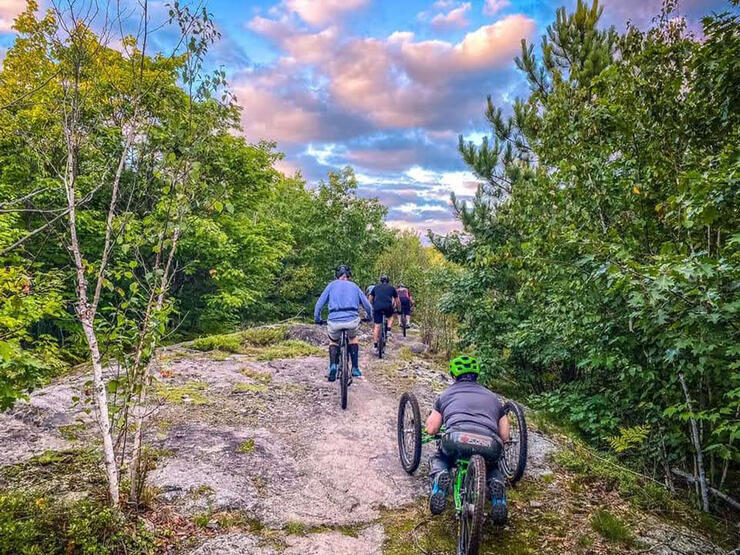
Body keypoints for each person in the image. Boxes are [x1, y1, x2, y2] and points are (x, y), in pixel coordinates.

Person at [426, 355, 510, 524]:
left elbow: (432, 429)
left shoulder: (445, 395)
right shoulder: (493, 397)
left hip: (457, 437)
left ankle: (440, 481)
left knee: (442, 457)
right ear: (476, 375)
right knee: (493, 466)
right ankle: (497, 497)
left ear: (453, 375)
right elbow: (505, 436)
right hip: (489, 442)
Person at [314, 265, 373, 380]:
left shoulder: (331, 285)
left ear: (337, 276)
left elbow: (319, 305)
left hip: (334, 321)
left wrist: (318, 319)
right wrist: (369, 316)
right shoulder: (354, 286)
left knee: (333, 341)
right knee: (353, 338)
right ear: (349, 276)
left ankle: (333, 365)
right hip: (351, 320)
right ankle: (355, 368)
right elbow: (367, 305)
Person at [368, 275, 398, 352]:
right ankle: (388, 330)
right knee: (390, 317)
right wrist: (398, 308)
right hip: (388, 306)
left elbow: (370, 298)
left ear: (381, 281)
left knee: (377, 326)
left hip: (377, 306)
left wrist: (371, 305)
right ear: (388, 281)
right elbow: (397, 300)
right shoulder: (392, 288)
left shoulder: (376, 287)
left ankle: (375, 345)